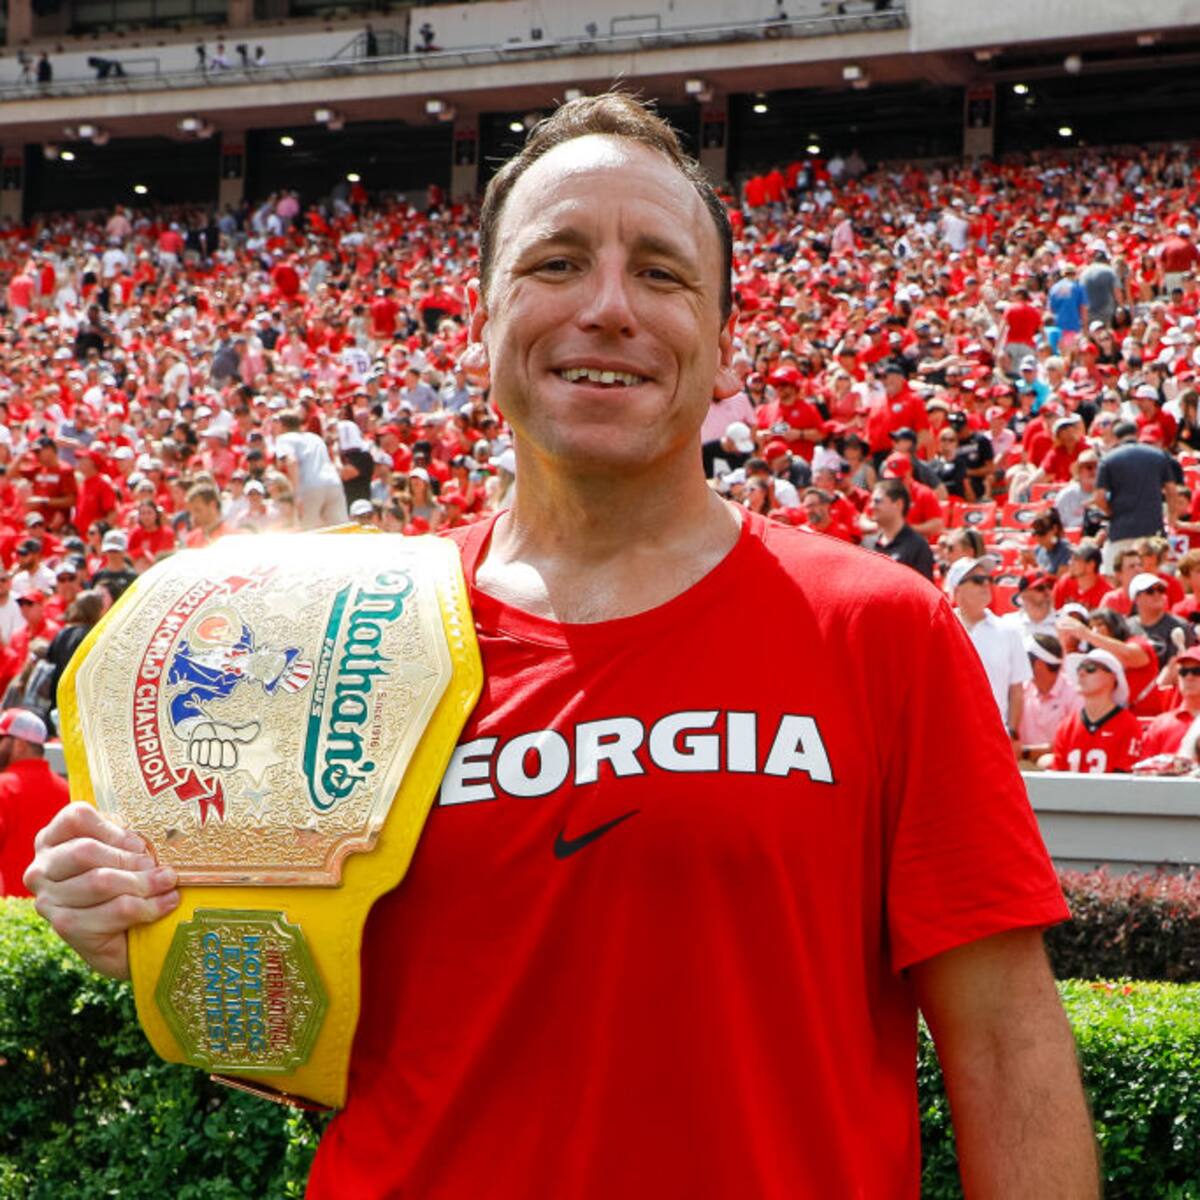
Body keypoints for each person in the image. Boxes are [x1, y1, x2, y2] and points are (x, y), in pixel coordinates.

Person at [24, 94, 1096, 1198]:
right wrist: (151, 924)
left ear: (726, 345)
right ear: (483, 321)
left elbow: (1009, 1046)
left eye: (664, 274)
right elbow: (317, 1047)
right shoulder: (337, 631)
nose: (609, 307)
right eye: (557, 262)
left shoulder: (880, 627)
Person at [945, 555, 1031, 751]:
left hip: (993, 738)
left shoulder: (1008, 631)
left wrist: (1012, 731)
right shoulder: (941, 629)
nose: (986, 585)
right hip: (947, 735)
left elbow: (1016, 690)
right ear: (957, 589)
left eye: (988, 580)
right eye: (977, 580)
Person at [1094, 419, 1178, 572]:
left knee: (1117, 577)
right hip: (1152, 530)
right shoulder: (1158, 456)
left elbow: (1099, 497)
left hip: (1121, 529)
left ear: (1116, 437)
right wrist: (1172, 518)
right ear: (1137, 434)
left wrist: (1110, 511)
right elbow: (1172, 490)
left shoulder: (1108, 459)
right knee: (1154, 576)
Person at [0, 708, 68, 895]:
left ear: (20, 745)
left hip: (8, 916)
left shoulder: (3, 788)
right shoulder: (67, 791)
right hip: (53, 916)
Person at [1045, 648, 1141, 774]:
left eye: (1090, 668)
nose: (1081, 673)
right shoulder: (1067, 726)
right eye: (1080, 668)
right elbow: (1058, 776)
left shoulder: (1128, 725)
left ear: (1112, 677)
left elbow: (1125, 783)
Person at [272, 409, 348, 529]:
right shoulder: (314, 437)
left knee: (308, 532)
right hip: (334, 483)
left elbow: (291, 461)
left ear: (282, 425)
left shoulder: (284, 438)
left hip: (310, 486)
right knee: (341, 530)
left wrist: (297, 494)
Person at [1019, 634, 1079, 765]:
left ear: (1039, 664)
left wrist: (1027, 752)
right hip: (1022, 764)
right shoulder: (1020, 690)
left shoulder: (1075, 695)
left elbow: (1074, 742)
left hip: (1059, 768)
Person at [1139, 645, 1200, 758]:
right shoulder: (1160, 724)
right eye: (1183, 671)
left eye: (1197, 671)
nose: (1189, 677)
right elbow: (1146, 770)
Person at [867, 477, 933, 580]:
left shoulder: (917, 546)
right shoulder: (868, 543)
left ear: (898, 504)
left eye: (877, 501)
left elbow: (924, 591)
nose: (871, 506)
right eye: (871, 501)